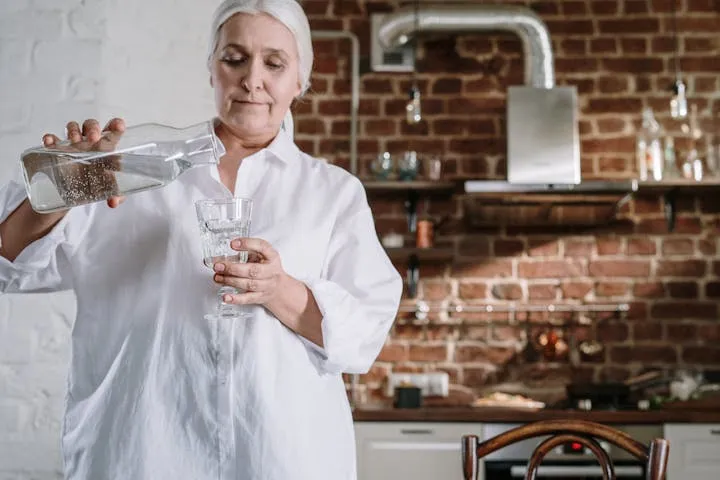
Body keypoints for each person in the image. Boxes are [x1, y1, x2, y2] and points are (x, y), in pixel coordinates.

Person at [0, 0, 402, 478]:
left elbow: (361, 338)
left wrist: (278, 290)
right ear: (212, 69)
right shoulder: (124, 168)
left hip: (282, 458)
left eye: (274, 63)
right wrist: (67, 185)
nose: (253, 79)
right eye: (234, 59)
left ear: (300, 81)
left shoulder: (332, 194)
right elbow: (10, 265)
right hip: (139, 452)